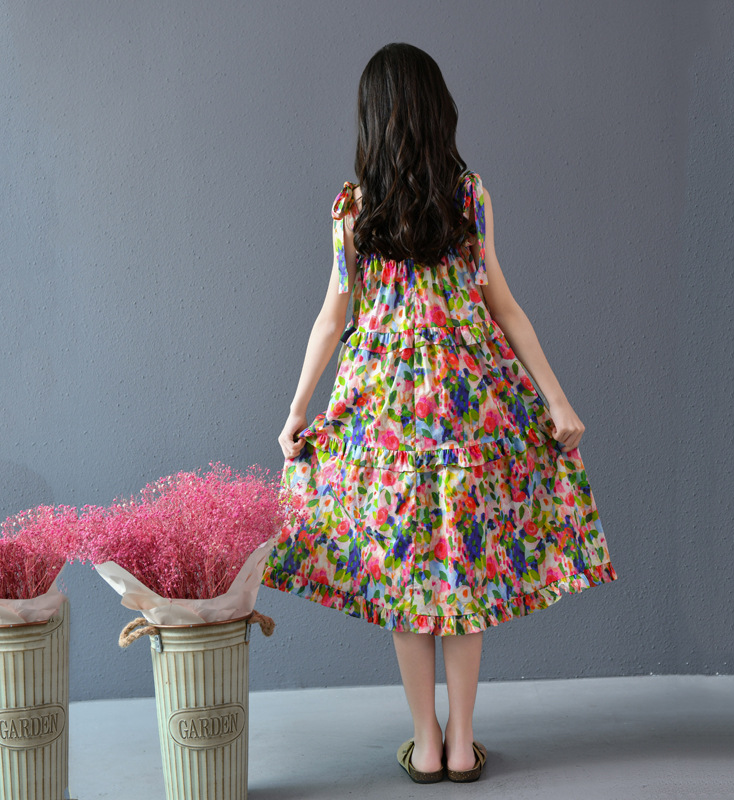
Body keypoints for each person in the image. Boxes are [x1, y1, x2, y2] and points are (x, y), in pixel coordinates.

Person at [263, 42, 618, 784]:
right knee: (463, 569)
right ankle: (463, 744)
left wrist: (296, 411)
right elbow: (504, 306)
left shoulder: (353, 211)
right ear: (439, 112)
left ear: (371, 119)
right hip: (469, 407)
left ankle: (425, 744)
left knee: (406, 573)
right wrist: (555, 400)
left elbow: (331, 319)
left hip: (386, 415)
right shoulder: (469, 198)